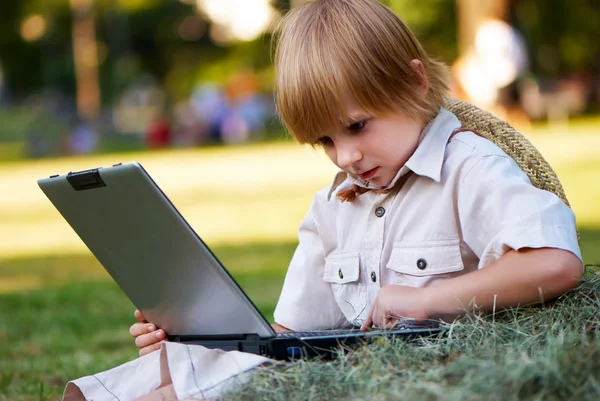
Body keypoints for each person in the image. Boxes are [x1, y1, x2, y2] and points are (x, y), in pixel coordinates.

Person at [64, 1, 583, 400]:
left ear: (413, 82)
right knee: (157, 377)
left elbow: (556, 264)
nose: (345, 156)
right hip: (347, 364)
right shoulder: (335, 206)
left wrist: (423, 299)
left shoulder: (469, 168)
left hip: (434, 372)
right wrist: (191, 337)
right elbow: (289, 336)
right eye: (326, 141)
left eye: (357, 126)